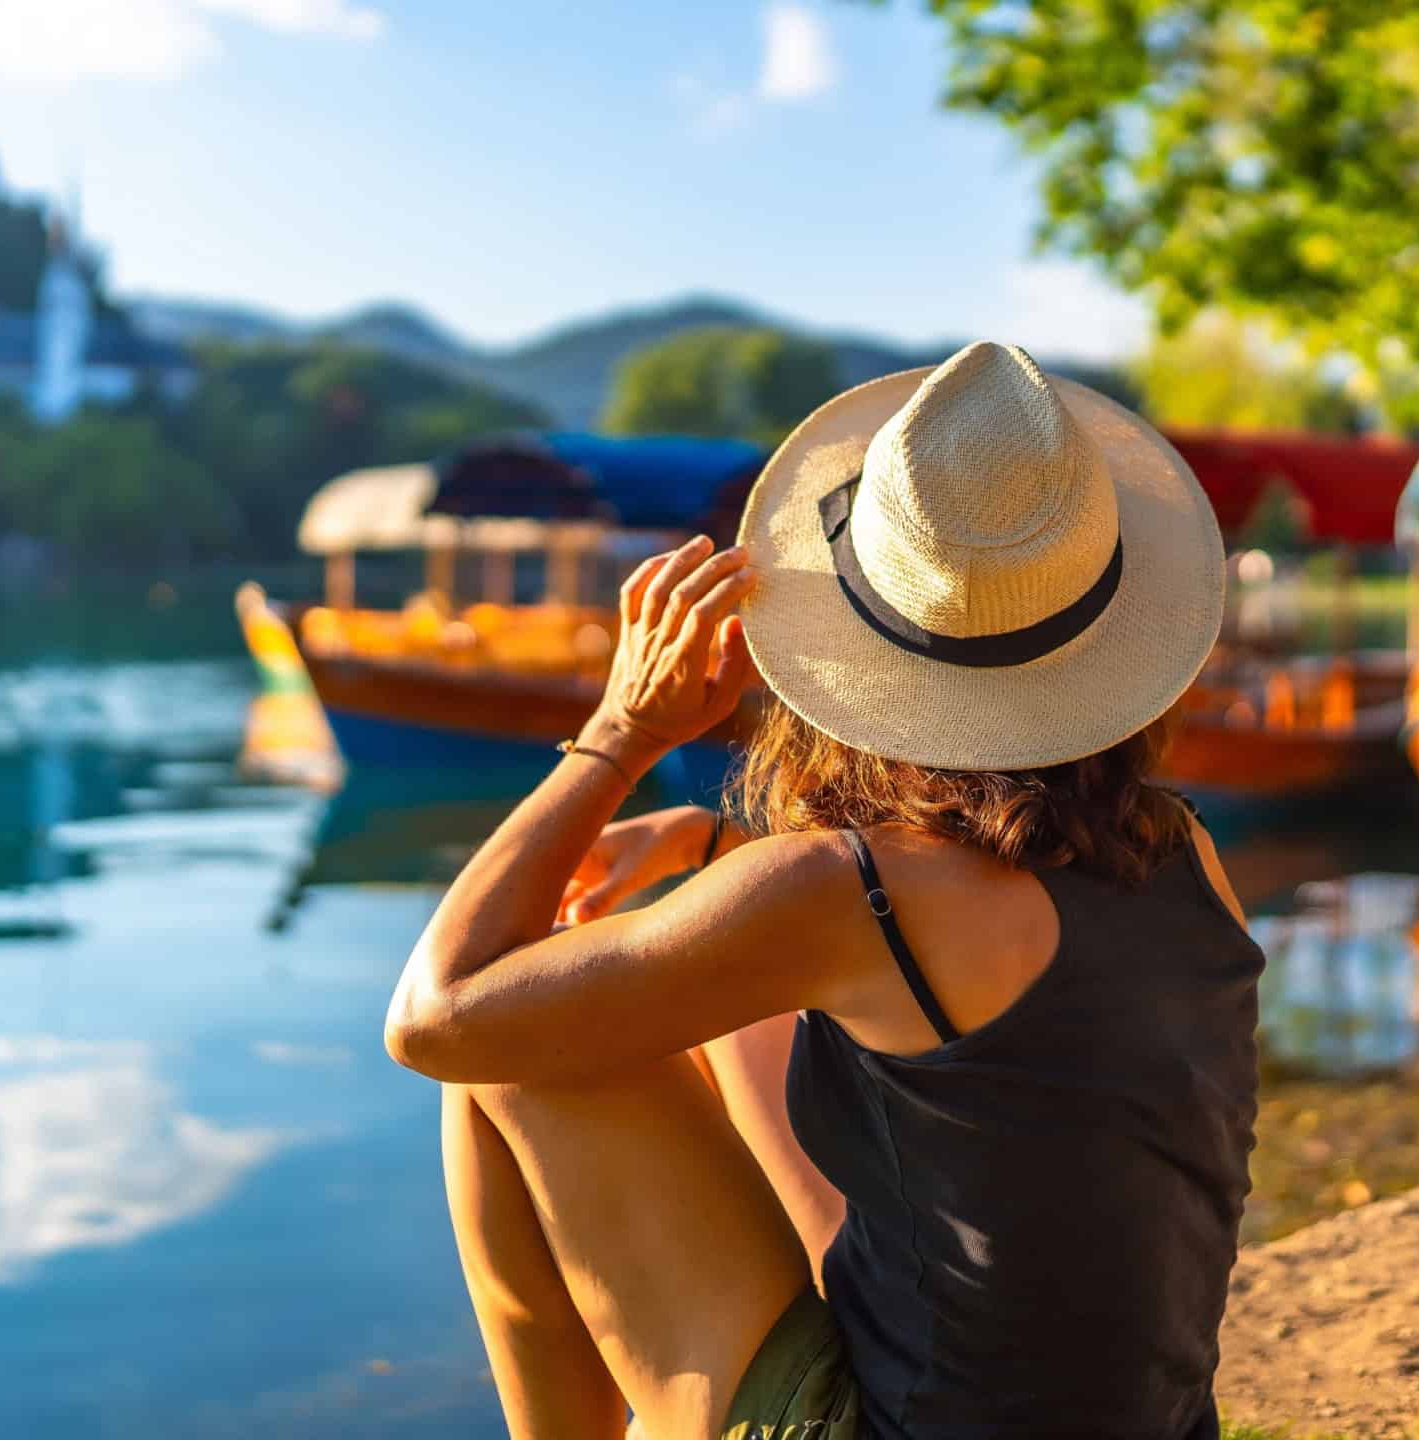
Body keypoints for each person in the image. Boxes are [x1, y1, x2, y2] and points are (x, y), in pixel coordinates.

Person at [386, 341, 1261, 1440]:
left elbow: (437, 1016)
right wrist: (714, 842)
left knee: (510, 1060)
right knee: (704, 1010)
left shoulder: (843, 896)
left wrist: (619, 736)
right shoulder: (1181, 849)